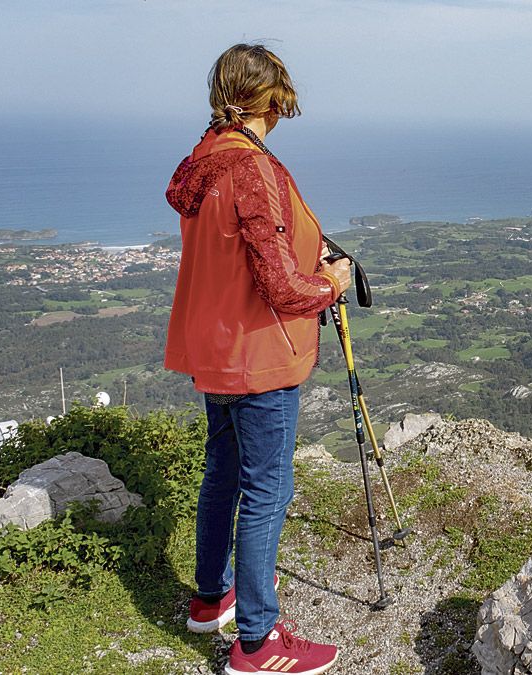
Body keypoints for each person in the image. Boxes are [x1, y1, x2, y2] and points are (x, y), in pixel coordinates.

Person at [164, 43, 350, 675]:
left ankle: (210, 598)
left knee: (223, 472)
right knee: (267, 487)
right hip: (258, 353)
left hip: (215, 348)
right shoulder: (250, 168)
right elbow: (278, 285)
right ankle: (256, 643)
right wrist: (331, 285)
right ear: (273, 97)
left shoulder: (205, 160)